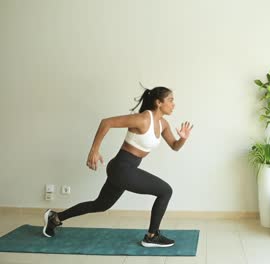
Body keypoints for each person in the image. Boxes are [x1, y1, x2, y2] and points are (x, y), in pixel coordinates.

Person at [42, 86, 193, 248]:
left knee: (100, 205)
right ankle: (152, 236)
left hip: (124, 170)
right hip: (122, 168)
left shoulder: (163, 124)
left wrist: (183, 138)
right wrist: (94, 150)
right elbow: (106, 122)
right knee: (165, 191)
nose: (173, 104)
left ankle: (55, 218)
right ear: (158, 102)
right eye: (170, 100)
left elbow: (175, 146)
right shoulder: (142, 119)